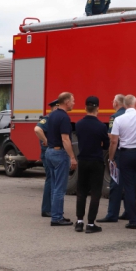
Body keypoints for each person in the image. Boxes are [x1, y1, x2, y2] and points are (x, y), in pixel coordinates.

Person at [105, 95, 136, 229]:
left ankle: (133, 221)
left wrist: (111, 158)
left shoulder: (118, 119)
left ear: (124, 105)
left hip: (126, 154)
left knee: (129, 188)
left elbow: (114, 141)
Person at [73, 96, 109, 233]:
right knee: (95, 192)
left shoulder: (78, 124)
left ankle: (79, 221)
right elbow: (106, 144)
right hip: (96, 161)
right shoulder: (101, 126)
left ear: (85, 107)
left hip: (82, 160)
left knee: (81, 191)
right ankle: (91, 224)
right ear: (98, 108)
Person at [45, 92, 78, 226]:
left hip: (50, 152)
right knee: (60, 187)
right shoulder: (64, 117)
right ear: (66, 102)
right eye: (73, 101)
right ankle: (57, 217)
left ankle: (55, 213)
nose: (74, 103)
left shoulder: (52, 115)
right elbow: (65, 138)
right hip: (59, 154)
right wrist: (72, 157)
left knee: (54, 186)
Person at [106, 94, 129, 221]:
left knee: (115, 183)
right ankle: (129, 212)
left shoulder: (115, 117)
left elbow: (112, 137)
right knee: (129, 183)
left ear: (115, 103)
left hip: (119, 153)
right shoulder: (133, 115)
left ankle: (112, 214)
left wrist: (111, 157)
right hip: (131, 152)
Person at [33, 99, 59, 218]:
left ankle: (51, 207)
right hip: (48, 153)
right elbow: (37, 129)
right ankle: (46, 209)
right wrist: (46, 141)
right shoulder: (48, 118)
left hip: (50, 153)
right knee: (50, 180)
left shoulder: (55, 119)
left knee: (53, 180)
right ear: (54, 107)